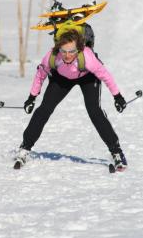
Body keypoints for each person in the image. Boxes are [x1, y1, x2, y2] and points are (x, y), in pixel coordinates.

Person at [15, 29, 127, 169]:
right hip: (61, 79)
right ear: (58, 49)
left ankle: (117, 152)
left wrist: (117, 96)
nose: (67, 55)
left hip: (87, 77)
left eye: (72, 51)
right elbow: (40, 75)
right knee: (44, 110)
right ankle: (25, 148)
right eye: (64, 51)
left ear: (79, 49)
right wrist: (32, 97)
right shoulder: (52, 56)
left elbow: (105, 75)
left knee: (94, 112)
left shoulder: (87, 57)